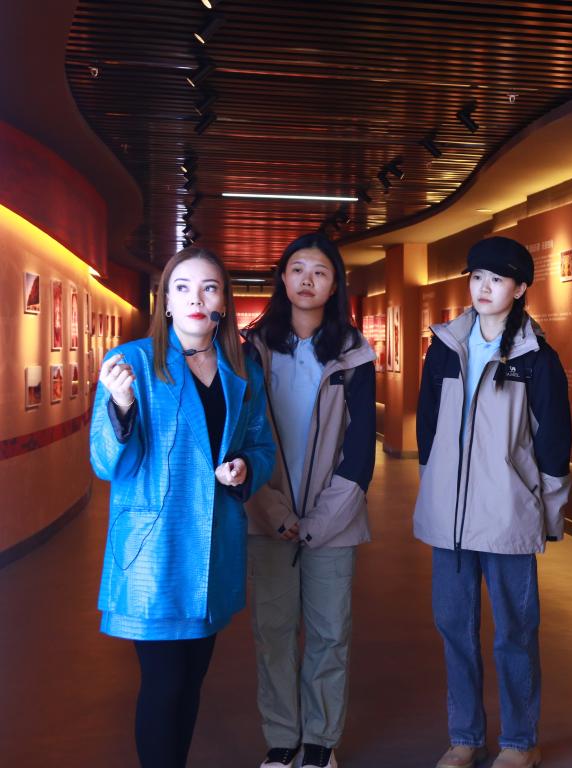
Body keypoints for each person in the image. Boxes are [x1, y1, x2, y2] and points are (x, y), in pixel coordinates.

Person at [90, 246, 276, 768]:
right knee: (164, 682)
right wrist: (121, 407)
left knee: (192, 678)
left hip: (214, 549)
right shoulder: (131, 363)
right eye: (183, 287)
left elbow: (262, 446)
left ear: (223, 303)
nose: (196, 298)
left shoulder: (243, 371)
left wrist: (245, 468)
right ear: (166, 302)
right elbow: (105, 463)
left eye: (209, 287)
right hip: (155, 552)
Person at [414, 236, 572, 768]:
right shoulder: (444, 347)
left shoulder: (536, 358)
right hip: (450, 521)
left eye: (497, 279)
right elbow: (429, 428)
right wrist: (434, 489)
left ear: (520, 288)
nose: (483, 288)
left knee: (515, 635)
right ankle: (465, 736)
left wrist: (548, 515)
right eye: (477, 277)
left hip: (508, 517)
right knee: (454, 630)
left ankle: (520, 742)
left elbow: (554, 444)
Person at [244, 233, 377, 768]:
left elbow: (360, 450)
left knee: (329, 632)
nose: (307, 280)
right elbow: (239, 437)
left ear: (334, 284)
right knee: (273, 633)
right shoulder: (252, 350)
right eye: (297, 269)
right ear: (282, 278)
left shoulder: (354, 353)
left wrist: (320, 521)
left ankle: (321, 741)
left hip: (335, 520)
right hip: (266, 515)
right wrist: (274, 512)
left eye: (319, 272)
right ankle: (282, 738)